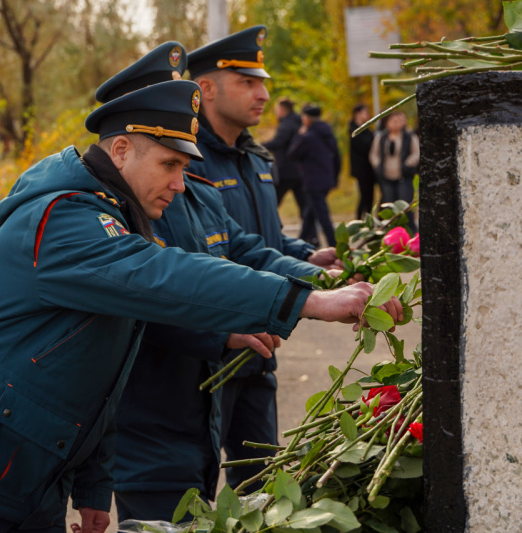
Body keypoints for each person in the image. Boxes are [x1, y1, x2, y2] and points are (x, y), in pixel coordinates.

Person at [0, 79, 401, 533]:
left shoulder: (110, 216)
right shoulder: (65, 218)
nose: (179, 184)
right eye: (169, 164)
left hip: (26, 473)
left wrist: (92, 487)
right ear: (121, 150)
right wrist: (308, 300)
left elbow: (99, 376)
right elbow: (169, 274)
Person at [99, 43, 327, 522]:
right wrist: (222, 330)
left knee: (245, 497)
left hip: (200, 413)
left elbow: (245, 249)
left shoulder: (194, 194)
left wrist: (316, 277)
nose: (182, 177)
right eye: (171, 162)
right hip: (151, 427)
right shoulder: (108, 214)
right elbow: (149, 295)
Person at [186, 26, 343, 493]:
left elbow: (261, 238)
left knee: (261, 487)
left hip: (261, 347)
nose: (264, 94)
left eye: (263, 82)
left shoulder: (256, 157)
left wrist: (310, 257)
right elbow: (212, 255)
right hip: (209, 353)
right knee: (192, 491)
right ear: (206, 89)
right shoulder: (185, 160)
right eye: (247, 83)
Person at [288, 104, 341, 247]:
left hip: (313, 181)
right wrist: (335, 178)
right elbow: (337, 156)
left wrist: (300, 134)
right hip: (326, 179)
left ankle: (334, 244)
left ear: (306, 119)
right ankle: (300, 242)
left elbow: (293, 153)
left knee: (322, 215)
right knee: (310, 214)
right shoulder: (327, 133)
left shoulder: (308, 136)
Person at [369, 110, 420, 232]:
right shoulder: (381, 137)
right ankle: (387, 231)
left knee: (405, 206)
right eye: (393, 121)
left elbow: (416, 153)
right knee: (387, 205)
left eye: (399, 121)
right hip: (386, 177)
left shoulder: (409, 137)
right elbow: (374, 155)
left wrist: (407, 164)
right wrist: (377, 166)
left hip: (404, 176)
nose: (396, 124)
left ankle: (410, 232)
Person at [264, 97, 305, 219]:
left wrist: (258, 147)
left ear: (282, 109)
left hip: (286, 170)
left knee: (272, 203)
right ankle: (311, 235)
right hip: (300, 170)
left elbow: (278, 142)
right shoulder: (299, 122)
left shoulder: (286, 125)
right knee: (304, 204)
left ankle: (265, 225)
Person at [349, 104, 376, 219]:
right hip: (362, 169)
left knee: (369, 197)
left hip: (370, 169)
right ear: (357, 114)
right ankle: (360, 220)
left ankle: (366, 220)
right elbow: (364, 145)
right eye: (365, 112)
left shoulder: (367, 129)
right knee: (365, 197)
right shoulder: (354, 129)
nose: (368, 115)